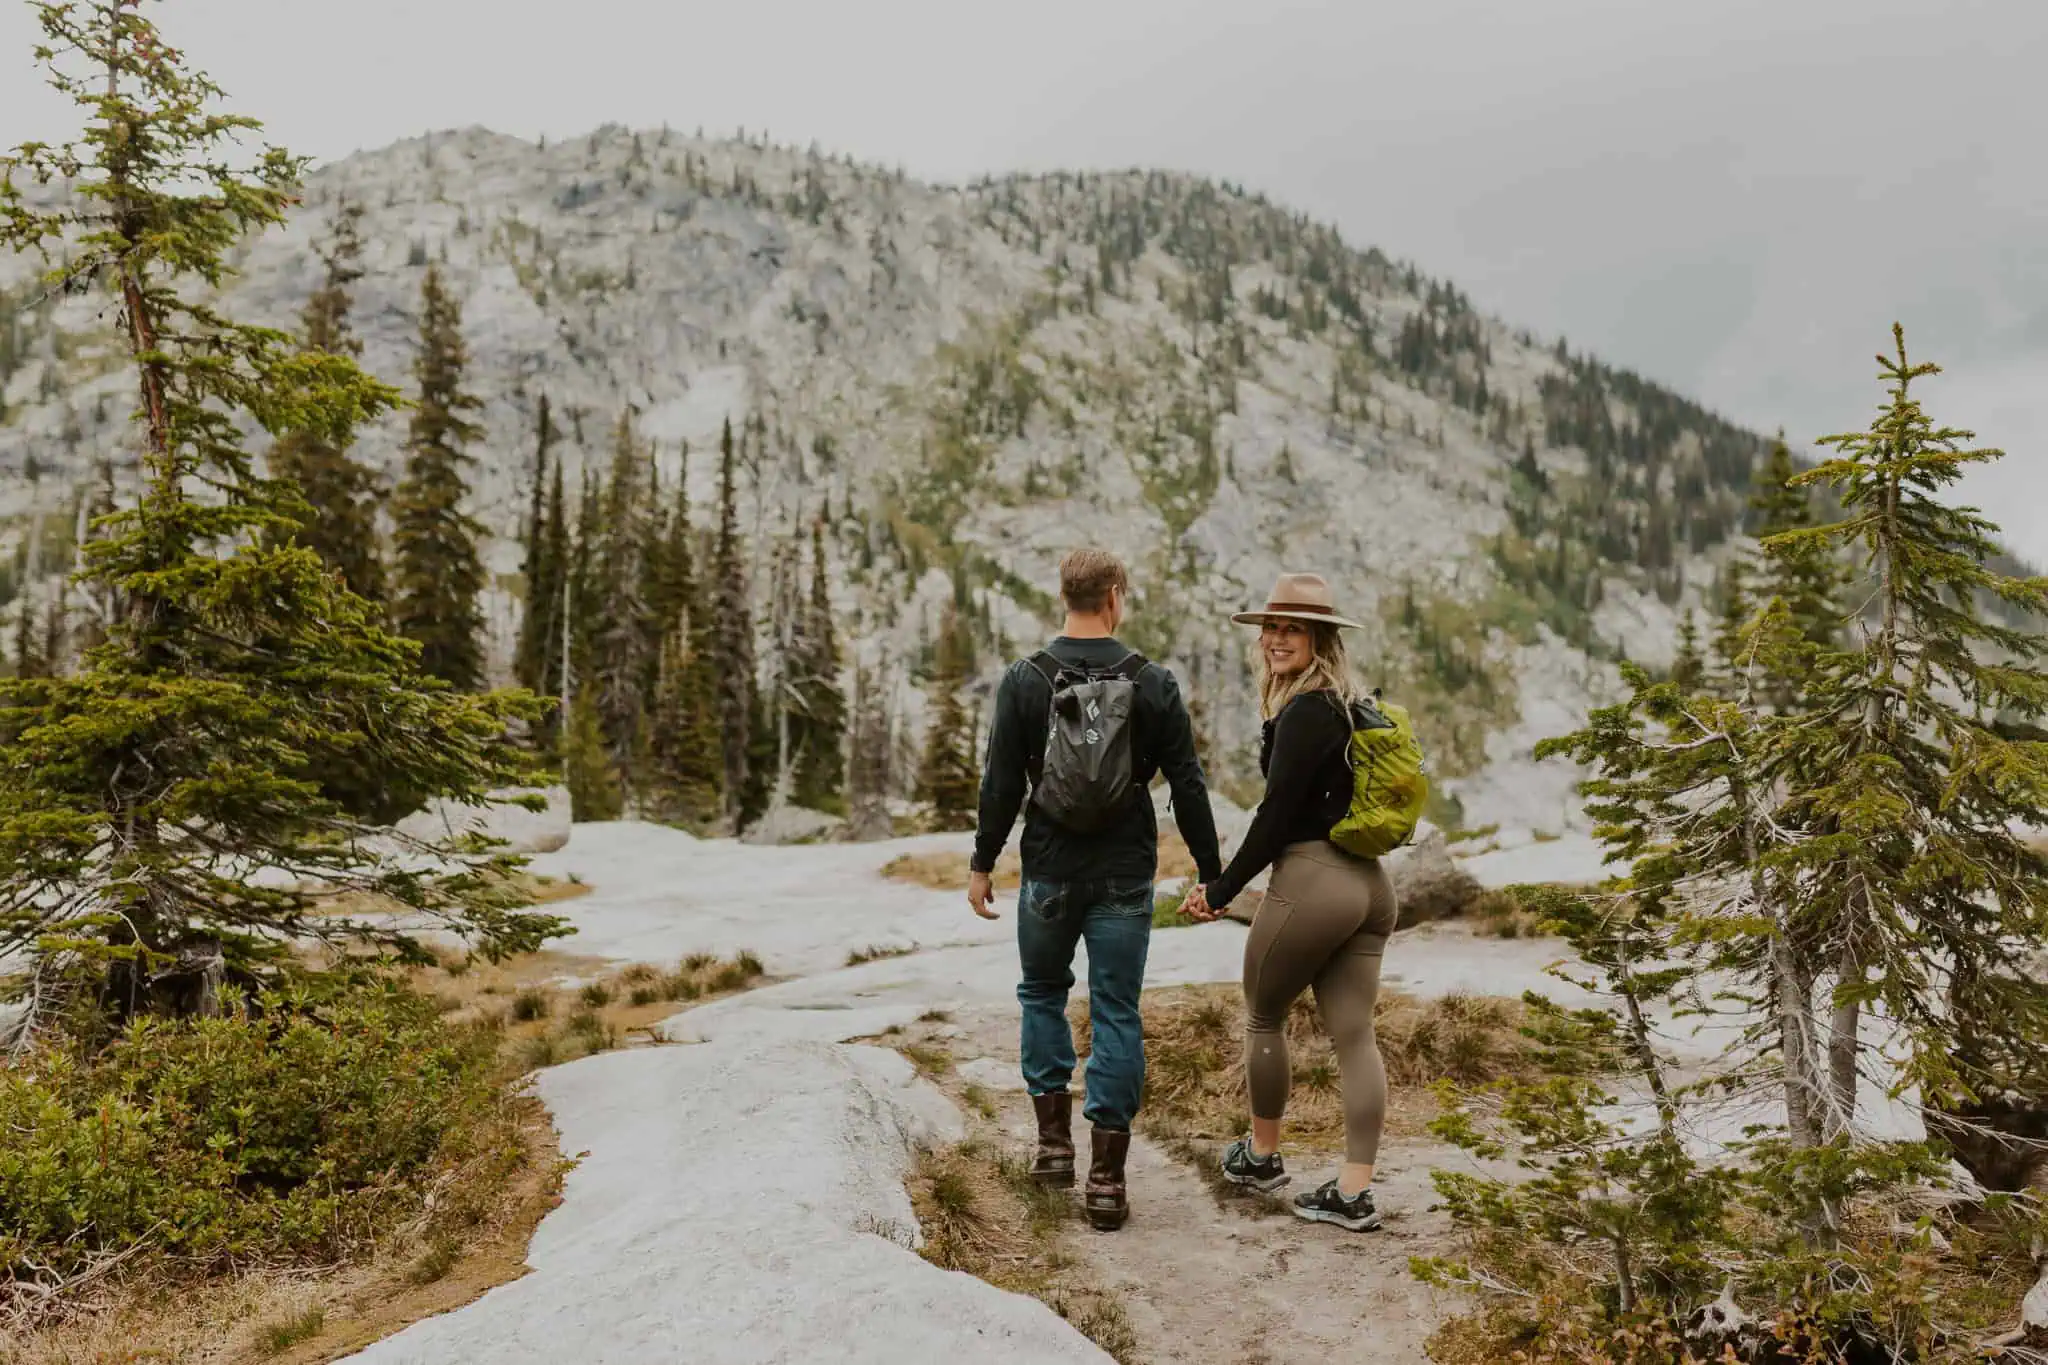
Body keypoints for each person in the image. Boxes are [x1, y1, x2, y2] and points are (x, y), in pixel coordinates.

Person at [969, 548, 1223, 1231]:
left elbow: (1001, 783)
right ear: (1114, 596)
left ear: (1066, 595)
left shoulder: (1026, 679)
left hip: (1048, 867)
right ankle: (1106, 1180)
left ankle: (1053, 1147)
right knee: (1116, 1009)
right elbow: (1188, 784)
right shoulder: (1153, 681)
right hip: (1125, 872)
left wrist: (981, 861)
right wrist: (1210, 868)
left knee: (1042, 992)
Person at [1181, 571, 1397, 1232]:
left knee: (1263, 1015)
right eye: (1271, 626)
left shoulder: (1306, 711)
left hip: (1313, 879)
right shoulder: (1352, 704)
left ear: (1320, 638)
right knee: (1354, 1033)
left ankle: (1262, 1157)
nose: (1276, 638)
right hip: (1370, 885)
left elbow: (1276, 819)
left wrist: (1220, 889)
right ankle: (1353, 1191)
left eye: (1291, 628)